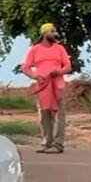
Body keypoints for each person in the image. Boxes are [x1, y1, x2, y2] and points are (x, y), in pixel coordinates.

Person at [22, 23, 72, 154]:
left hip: (57, 85)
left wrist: (59, 72)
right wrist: (36, 76)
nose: (55, 34)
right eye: (52, 32)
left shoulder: (60, 48)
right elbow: (25, 68)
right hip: (43, 86)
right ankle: (46, 142)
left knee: (59, 114)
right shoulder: (35, 49)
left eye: (55, 32)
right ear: (44, 33)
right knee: (44, 115)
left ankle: (58, 144)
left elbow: (68, 67)